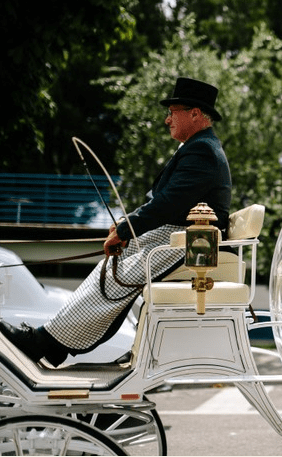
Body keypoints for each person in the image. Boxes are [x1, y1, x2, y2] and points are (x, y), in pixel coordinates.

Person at [0, 77, 232, 367]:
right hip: (175, 237)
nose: (167, 119)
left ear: (195, 113)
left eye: (172, 112)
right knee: (108, 270)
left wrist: (124, 229)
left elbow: (168, 203)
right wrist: (125, 224)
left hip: (189, 243)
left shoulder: (202, 151)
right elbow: (166, 202)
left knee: (114, 278)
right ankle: (52, 341)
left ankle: (45, 342)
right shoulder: (200, 147)